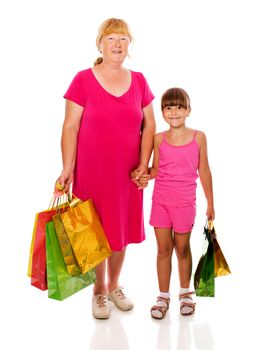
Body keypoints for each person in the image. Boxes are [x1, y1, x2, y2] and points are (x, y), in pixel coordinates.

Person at [55, 18, 155, 319]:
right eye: (111, 38)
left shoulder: (139, 80)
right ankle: (98, 290)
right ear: (100, 44)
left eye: (123, 38)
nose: (117, 44)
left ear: (129, 45)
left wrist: (143, 164)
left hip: (127, 172)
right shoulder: (83, 79)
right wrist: (66, 168)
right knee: (96, 229)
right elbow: (70, 126)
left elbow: (150, 124)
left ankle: (114, 286)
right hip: (92, 170)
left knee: (121, 229)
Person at [147, 87, 214, 319]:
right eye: (168, 108)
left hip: (185, 203)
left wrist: (211, 203)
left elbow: (204, 170)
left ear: (188, 110)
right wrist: (142, 174)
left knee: (182, 249)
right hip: (161, 202)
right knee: (163, 250)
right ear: (162, 112)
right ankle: (162, 296)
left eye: (179, 107)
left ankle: (186, 294)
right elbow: (156, 169)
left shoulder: (199, 137)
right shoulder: (158, 139)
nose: (173, 112)